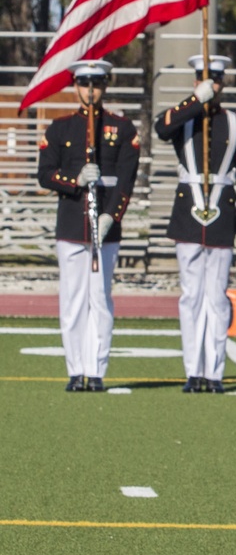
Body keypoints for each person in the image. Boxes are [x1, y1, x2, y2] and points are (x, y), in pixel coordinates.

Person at [37, 59, 141, 392]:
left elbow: (126, 179)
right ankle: (75, 369)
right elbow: (46, 174)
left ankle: (95, 369)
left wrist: (113, 215)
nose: (90, 90)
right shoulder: (60, 127)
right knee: (72, 299)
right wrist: (75, 179)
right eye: (84, 83)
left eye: (96, 84)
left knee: (100, 297)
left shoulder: (122, 128)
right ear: (75, 86)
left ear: (106, 86)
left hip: (106, 227)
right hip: (71, 224)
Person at [154, 53, 236, 393]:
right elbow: (160, 127)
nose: (210, 84)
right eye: (203, 78)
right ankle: (192, 369)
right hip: (188, 213)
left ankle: (214, 371)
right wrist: (195, 101)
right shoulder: (185, 117)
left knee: (217, 296)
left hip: (223, 212)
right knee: (191, 295)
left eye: (214, 80)